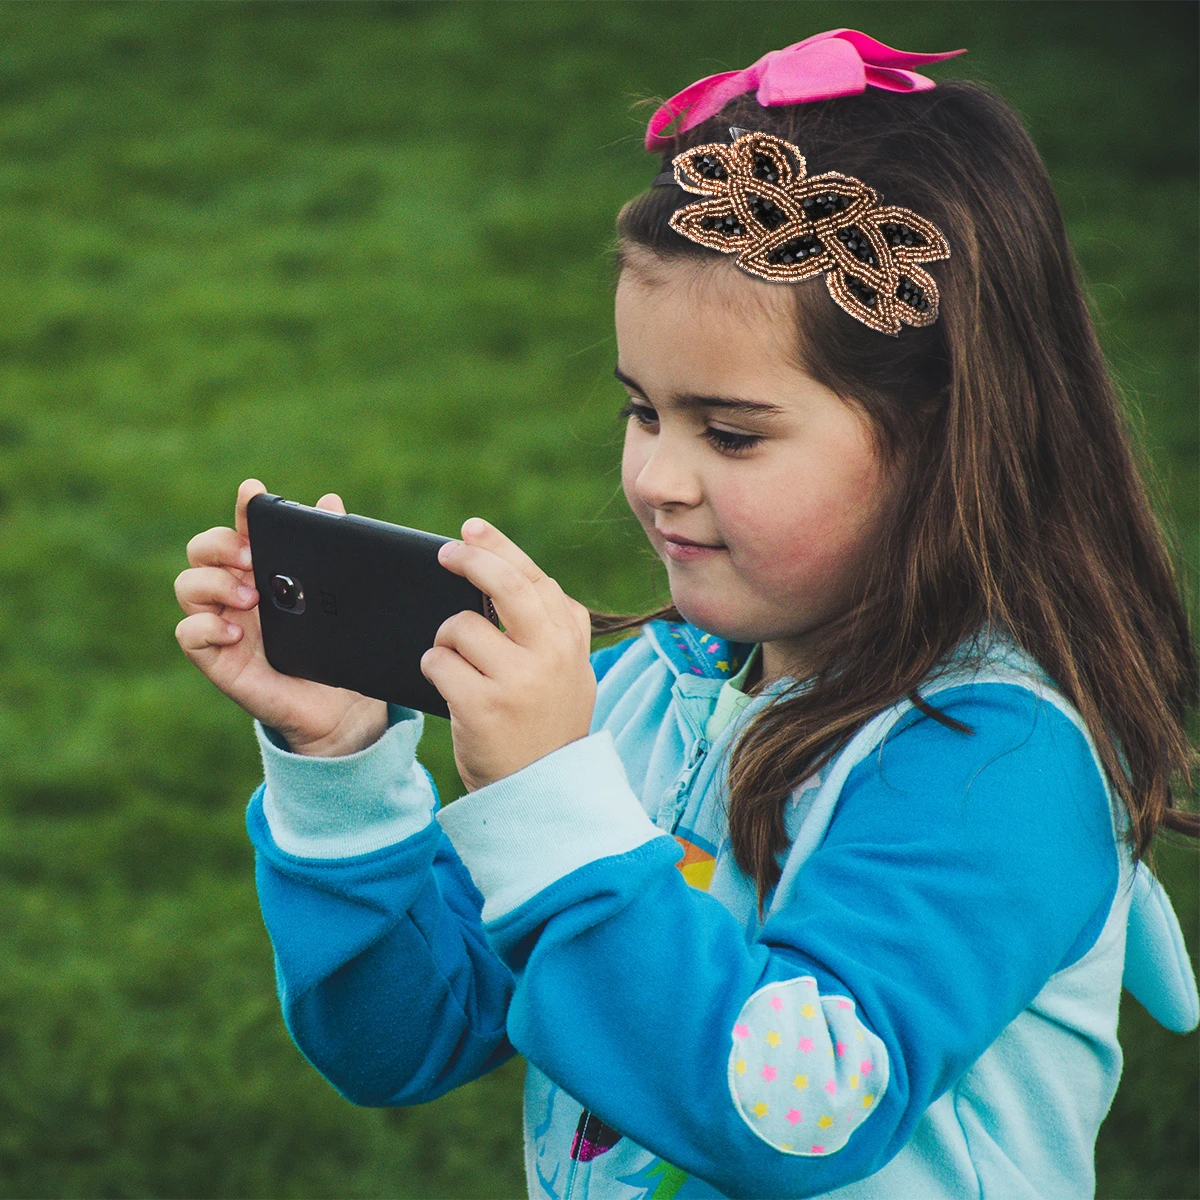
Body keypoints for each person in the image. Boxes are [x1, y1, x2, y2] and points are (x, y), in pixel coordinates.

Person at [173, 29, 1199, 1200]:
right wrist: (340, 767)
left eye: (731, 431)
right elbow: (403, 1039)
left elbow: (793, 1118)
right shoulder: (653, 689)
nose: (658, 477)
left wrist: (555, 799)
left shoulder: (1000, 762)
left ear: (944, 441)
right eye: (643, 412)